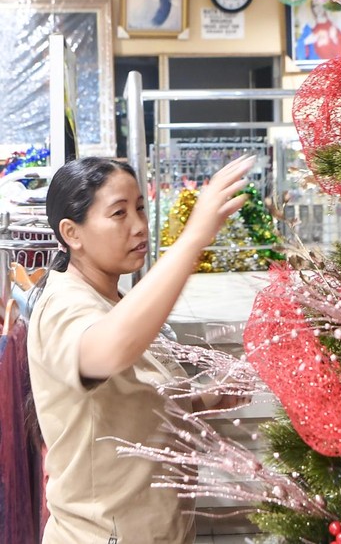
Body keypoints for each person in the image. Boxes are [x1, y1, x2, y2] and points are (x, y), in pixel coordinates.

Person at [27, 154, 255, 544]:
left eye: (140, 209)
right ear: (72, 233)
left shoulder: (116, 297)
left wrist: (206, 396)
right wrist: (193, 239)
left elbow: (133, 401)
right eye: (119, 214)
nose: (139, 227)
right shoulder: (62, 307)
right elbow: (110, 351)